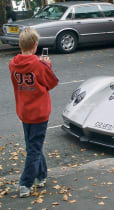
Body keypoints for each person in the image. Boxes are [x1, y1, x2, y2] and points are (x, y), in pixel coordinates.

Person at [9, 27, 59, 198]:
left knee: (33, 146)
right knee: (34, 148)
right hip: (39, 112)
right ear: (35, 44)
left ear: (20, 44)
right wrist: (47, 64)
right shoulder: (39, 65)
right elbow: (51, 83)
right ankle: (26, 183)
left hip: (24, 110)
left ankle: (41, 175)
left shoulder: (12, 63)